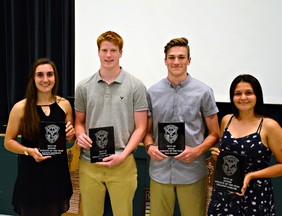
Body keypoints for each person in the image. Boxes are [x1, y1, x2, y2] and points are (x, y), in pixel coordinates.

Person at [143, 37, 220, 216]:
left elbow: (215, 133)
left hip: (191, 171)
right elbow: (147, 132)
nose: (176, 62)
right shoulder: (152, 92)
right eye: (171, 57)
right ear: (165, 61)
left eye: (181, 57)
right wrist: (149, 147)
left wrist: (197, 151)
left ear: (189, 60)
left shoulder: (204, 92)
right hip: (160, 170)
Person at [74, 31, 148, 216]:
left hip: (122, 164)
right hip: (90, 163)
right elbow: (79, 121)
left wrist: (123, 155)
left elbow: (141, 127)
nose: (108, 55)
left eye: (113, 50)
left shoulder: (136, 85)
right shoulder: (83, 86)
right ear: (98, 52)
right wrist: (80, 134)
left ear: (120, 53)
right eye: (104, 50)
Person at [207, 74, 282, 215]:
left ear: (257, 96)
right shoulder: (226, 120)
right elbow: (226, 155)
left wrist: (250, 176)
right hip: (223, 193)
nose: (243, 97)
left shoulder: (269, 126)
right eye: (238, 93)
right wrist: (217, 156)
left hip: (255, 195)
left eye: (248, 93)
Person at [4, 57, 75, 216]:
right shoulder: (20, 107)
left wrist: (71, 136)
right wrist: (28, 151)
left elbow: (69, 141)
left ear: (55, 78)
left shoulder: (64, 105)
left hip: (57, 175)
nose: (45, 79)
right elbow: (8, 142)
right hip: (31, 176)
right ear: (33, 78)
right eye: (40, 75)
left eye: (50, 74)